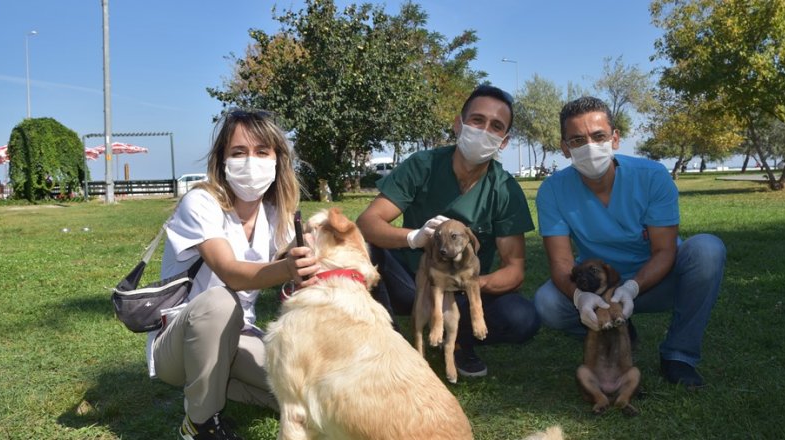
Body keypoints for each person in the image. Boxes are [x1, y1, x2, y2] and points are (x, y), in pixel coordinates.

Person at [148, 109, 320, 440]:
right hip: (179, 341)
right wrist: (286, 268)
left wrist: (307, 252)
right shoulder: (200, 203)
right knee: (219, 301)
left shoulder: (275, 214)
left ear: (277, 159)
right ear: (222, 160)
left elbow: (290, 261)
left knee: (304, 397)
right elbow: (232, 273)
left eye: (261, 152)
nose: (250, 162)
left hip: (240, 334)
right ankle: (199, 423)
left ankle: (219, 385)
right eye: (238, 153)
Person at [533, 96, 726, 389]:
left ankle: (679, 355)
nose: (589, 147)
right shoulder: (553, 190)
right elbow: (560, 261)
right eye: (577, 140)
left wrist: (631, 288)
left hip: (658, 280)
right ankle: (616, 327)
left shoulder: (652, 176)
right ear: (564, 148)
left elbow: (664, 250)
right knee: (547, 302)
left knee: (708, 250)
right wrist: (579, 297)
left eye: (598, 136)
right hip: (599, 287)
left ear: (615, 139)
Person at [356, 85, 541, 379]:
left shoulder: (504, 189)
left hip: (466, 289)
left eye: (496, 127)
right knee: (365, 249)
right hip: (412, 282)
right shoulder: (423, 165)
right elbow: (368, 222)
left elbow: (515, 270)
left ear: (503, 142)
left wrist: (467, 283)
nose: (484, 131)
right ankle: (389, 342)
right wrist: (413, 237)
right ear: (459, 124)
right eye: (477, 120)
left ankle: (459, 342)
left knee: (522, 318)